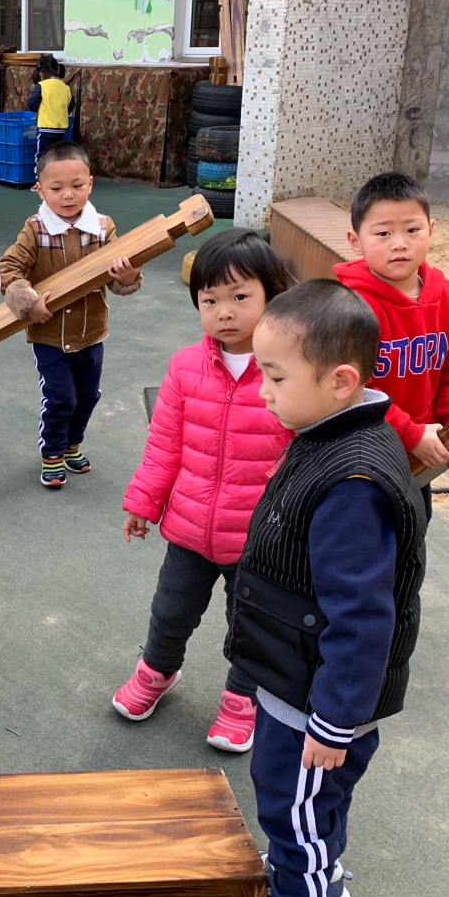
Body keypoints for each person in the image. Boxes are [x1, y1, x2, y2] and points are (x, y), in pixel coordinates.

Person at [212, 279, 428, 897]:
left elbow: (362, 615)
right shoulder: (330, 433)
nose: (263, 390)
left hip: (314, 699)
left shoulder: (353, 483)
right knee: (316, 805)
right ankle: (319, 880)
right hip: (302, 675)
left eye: (275, 376)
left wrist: (333, 719)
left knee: (291, 808)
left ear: (340, 382)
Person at [112, 230, 293, 753]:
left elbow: (304, 451)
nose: (224, 312)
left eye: (240, 296)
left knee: (252, 624)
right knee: (170, 611)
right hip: (190, 529)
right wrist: (143, 502)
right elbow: (164, 443)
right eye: (209, 300)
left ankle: (243, 697)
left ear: (273, 296)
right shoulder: (185, 367)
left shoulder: (289, 370)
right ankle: (157, 670)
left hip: (258, 539)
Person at [0, 141, 141, 487]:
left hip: (91, 333)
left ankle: (72, 445)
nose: (68, 195)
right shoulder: (36, 229)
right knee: (61, 398)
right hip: (50, 336)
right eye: (56, 188)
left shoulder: (102, 227)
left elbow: (118, 278)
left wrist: (128, 276)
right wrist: (29, 301)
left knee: (88, 396)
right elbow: (7, 270)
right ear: (39, 189)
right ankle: (52, 454)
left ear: (90, 183)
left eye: (77, 185)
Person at [334, 171, 449, 518]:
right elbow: (350, 391)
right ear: (355, 241)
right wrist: (409, 433)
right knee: (357, 531)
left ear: (431, 229)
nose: (399, 243)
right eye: (383, 233)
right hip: (356, 453)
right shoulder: (348, 308)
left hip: (418, 455)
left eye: (412, 230)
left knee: (412, 526)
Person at [26, 54, 75, 169]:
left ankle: (41, 178)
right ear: (57, 69)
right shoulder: (65, 87)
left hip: (45, 129)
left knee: (42, 156)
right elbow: (71, 105)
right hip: (61, 130)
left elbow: (31, 105)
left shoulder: (42, 86)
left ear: (41, 73)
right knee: (57, 157)